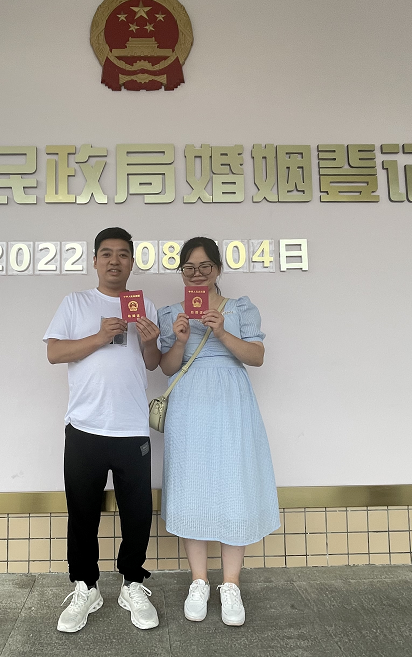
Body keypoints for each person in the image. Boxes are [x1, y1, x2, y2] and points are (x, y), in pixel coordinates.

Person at [43, 227, 163, 633]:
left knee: (138, 512)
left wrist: (151, 340)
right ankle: (86, 587)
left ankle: (132, 583)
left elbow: (151, 362)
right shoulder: (76, 302)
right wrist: (99, 336)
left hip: (131, 427)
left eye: (123, 254)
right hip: (85, 426)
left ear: (132, 262)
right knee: (82, 511)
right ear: (95, 260)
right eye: (107, 253)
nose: (115, 261)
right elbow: (54, 352)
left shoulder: (144, 305)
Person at [157, 237, 279, 627]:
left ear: (218, 269)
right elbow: (167, 368)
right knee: (192, 484)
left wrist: (223, 333)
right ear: (181, 272)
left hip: (231, 402)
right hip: (189, 404)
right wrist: (179, 341)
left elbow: (257, 357)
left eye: (205, 266)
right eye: (189, 268)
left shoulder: (240, 308)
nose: (197, 274)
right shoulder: (171, 313)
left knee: (233, 484)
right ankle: (198, 581)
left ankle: (231, 584)